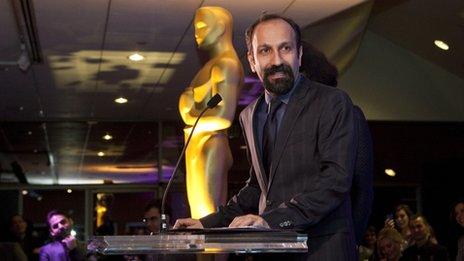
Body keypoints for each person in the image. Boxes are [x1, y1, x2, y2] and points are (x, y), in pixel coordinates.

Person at [175, 13, 358, 260]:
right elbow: (256, 188)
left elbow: (335, 181)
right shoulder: (249, 115)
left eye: (285, 48)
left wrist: (269, 221)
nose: (277, 60)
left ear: (299, 54)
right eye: (265, 51)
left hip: (321, 250)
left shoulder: (332, 102)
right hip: (271, 251)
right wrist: (206, 223)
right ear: (251, 61)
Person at [300, 41, 374, 245]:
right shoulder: (287, 122)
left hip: (334, 239)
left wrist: (349, 241)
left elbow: (362, 188)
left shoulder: (349, 115)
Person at [178, 6, 244, 219]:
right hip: (197, 145)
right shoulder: (213, 65)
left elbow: (223, 118)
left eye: (202, 26)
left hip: (210, 145)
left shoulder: (227, 65)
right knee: (200, 222)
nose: (197, 32)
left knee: (210, 220)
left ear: (221, 27)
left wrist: (188, 114)